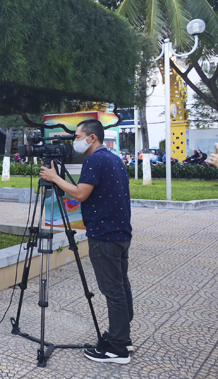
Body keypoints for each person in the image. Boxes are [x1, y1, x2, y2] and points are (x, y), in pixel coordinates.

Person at [39, 119, 133, 364]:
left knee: (113, 291)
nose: (76, 141)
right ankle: (123, 338)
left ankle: (117, 349)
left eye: (78, 136)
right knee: (121, 287)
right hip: (121, 232)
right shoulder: (114, 158)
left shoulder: (94, 159)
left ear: (92, 138)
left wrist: (54, 177)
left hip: (104, 235)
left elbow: (80, 193)